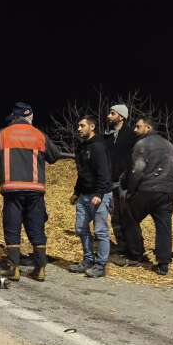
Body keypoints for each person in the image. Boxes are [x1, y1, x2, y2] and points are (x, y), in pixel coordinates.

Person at [0, 102, 61, 281]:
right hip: (35, 190)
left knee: (12, 227)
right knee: (36, 227)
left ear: (14, 117)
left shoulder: (1, 134)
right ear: (29, 116)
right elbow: (55, 156)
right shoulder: (39, 135)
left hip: (11, 189)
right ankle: (40, 268)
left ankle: (14, 268)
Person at [113, 117, 173, 275]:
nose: (135, 130)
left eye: (138, 126)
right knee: (163, 226)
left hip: (147, 190)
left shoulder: (142, 144)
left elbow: (137, 171)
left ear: (148, 127)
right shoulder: (169, 145)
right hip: (167, 191)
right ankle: (163, 263)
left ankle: (136, 255)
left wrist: (130, 191)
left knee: (129, 218)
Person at [69, 115, 113, 278]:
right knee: (80, 228)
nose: (79, 128)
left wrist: (99, 194)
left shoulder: (98, 147)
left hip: (98, 195)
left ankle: (101, 266)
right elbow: (83, 173)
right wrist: (76, 192)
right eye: (78, 126)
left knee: (100, 231)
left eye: (82, 125)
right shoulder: (82, 147)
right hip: (84, 194)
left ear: (92, 127)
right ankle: (88, 260)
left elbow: (104, 172)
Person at [106, 104, 136, 252]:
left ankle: (133, 248)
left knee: (127, 216)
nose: (109, 116)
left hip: (124, 182)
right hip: (110, 181)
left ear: (121, 116)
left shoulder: (131, 135)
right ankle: (122, 246)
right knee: (115, 216)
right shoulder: (108, 135)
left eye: (112, 113)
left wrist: (128, 178)